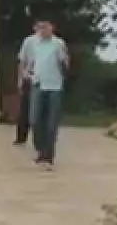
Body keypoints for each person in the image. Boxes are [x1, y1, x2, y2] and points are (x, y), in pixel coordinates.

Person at [28, 19, 69, 170]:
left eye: (46, 27)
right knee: (34, 120)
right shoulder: (34, 44)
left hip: (55, 87)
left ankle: (48, 155)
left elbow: (65, 64)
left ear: (52, 28)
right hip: (38, 84)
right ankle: (40, 149)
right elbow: (32, 62)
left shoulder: (58, 44)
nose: (43, 30)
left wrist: (64, 62)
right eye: (41, 27)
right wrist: (28, 74)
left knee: (52, 123)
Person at [14, 20, 44, 146]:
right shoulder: (29, 41)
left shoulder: (54, 42)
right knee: (25, 109)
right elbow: (22, 61)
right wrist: (20, 79)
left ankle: (40, 138)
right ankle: (21, 137)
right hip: (30, 78)